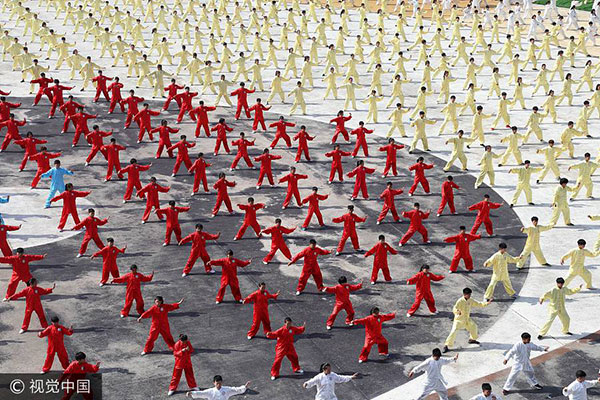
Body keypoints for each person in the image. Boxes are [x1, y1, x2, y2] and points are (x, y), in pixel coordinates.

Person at [443, 288, 492, 352]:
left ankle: (472, 339)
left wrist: (487, 303)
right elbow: (454, 308)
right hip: (459, 320)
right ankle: (446, 345)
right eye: (468, 294)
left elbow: (478, 304)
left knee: (474, 326)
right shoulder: (460, 301)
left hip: (467, 319)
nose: (469, 296)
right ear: (464, 294)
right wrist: (457, 311)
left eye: (470, 294)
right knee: (453, 331)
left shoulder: (470, 300)